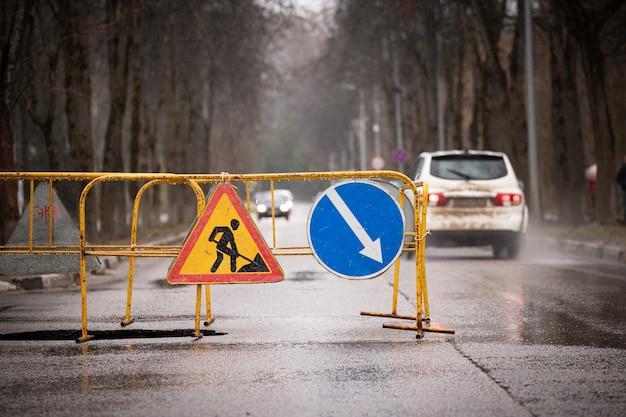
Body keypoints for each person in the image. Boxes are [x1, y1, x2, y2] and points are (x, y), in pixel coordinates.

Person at [616, 155, 626, 223]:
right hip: (625, 189)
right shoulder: (622, 169)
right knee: (625, 205)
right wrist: (623, 183)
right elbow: (617, 179)